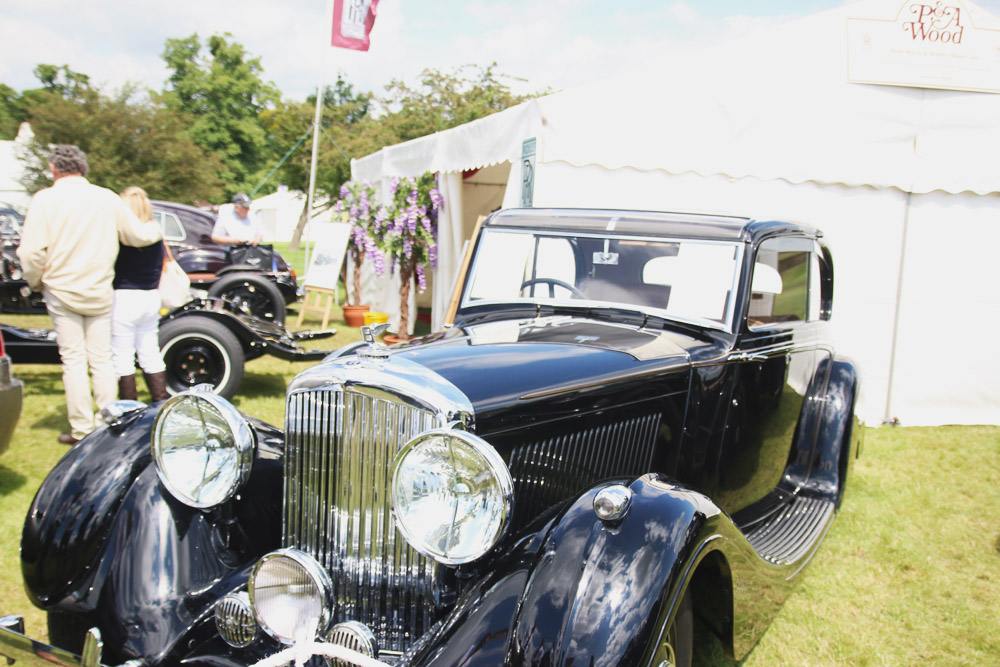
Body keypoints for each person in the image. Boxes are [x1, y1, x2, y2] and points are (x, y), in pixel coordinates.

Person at [17, 145, 161, 444]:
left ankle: (82, 428)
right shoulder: (106, 197)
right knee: (102, 359)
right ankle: (106, 422)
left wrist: (36, 280)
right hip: (99, 287)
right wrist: (156, 231)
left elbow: (30, 251)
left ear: (55, 169)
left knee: (73, 359)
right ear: (84, 168)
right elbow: (137, 235)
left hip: (60, 287)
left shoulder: (44, 200)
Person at [113, 187, 169, 402]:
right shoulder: (155, 232)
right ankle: (160, 401)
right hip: (150, 296)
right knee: (150, 353)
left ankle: (128, 408)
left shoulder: (121, 237)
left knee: (123, 356)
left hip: (124, 297)